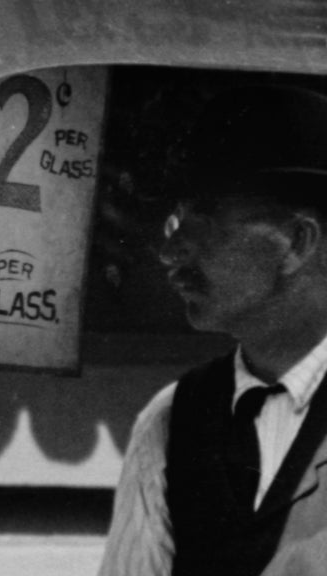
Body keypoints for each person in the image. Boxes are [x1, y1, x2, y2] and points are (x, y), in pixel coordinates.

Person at [99, 85, 327, 576]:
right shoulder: (170, 420)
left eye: (203, 222)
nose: (170, 251)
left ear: (296, 242)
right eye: (174, 222)